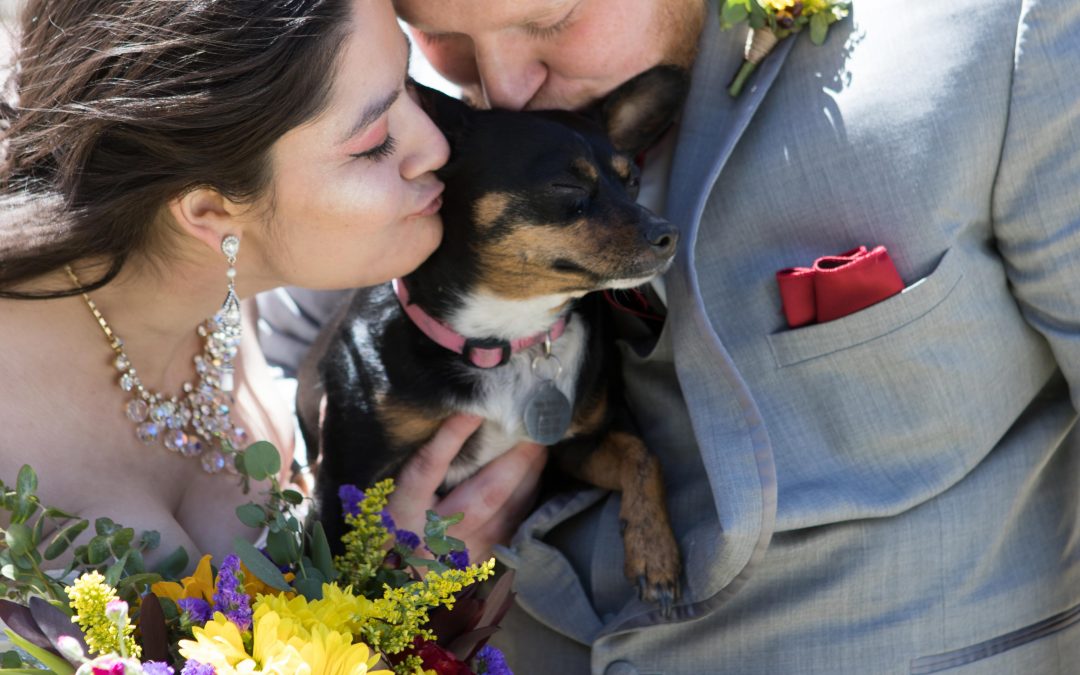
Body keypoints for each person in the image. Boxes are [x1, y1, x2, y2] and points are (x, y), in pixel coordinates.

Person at [266, 0, 1080, 672]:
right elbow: (268, 364)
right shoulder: (432, 147)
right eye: (441, 39)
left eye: (550, 22)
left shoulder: (1000, 42)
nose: (505, 88)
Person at [0, 0, 525, 570]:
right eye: (375, 142)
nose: (436, 146)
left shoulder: (223, 287)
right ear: (210, 210)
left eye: (408, 83)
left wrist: (376, 567)